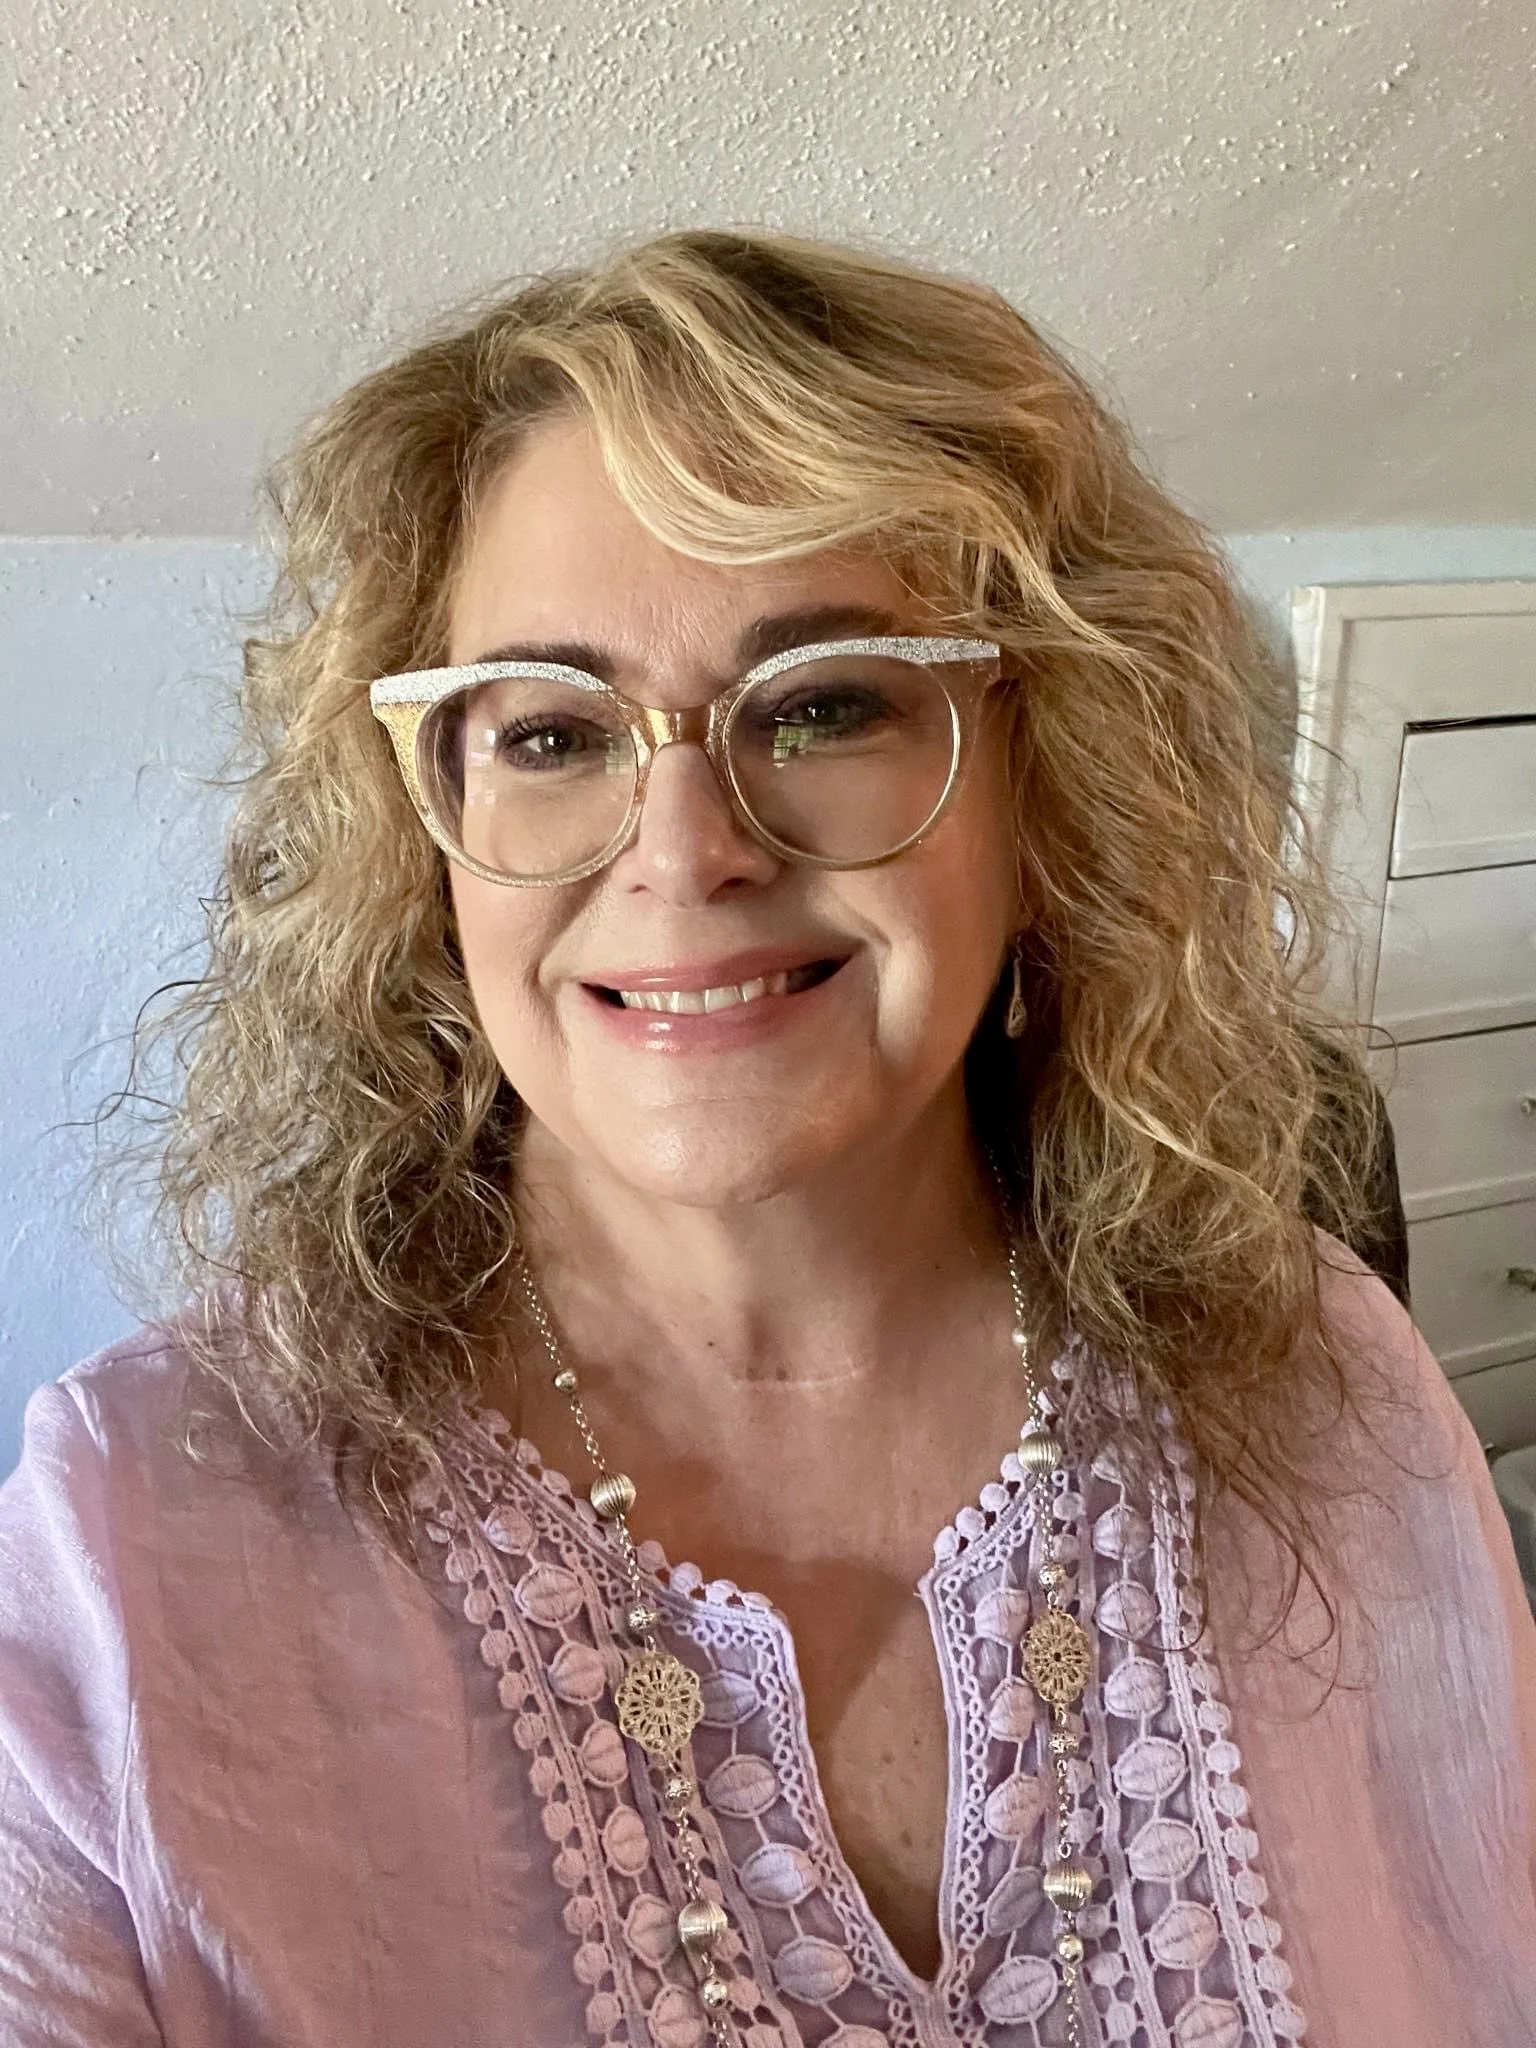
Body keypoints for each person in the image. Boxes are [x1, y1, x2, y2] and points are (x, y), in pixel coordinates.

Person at [0, 229, 1530, 2048]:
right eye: (552, 731)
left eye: (822, 702)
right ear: (421, 846)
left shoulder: (1329, 1383)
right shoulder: (134, 1544)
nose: (683, 848)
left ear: (1048, 776)